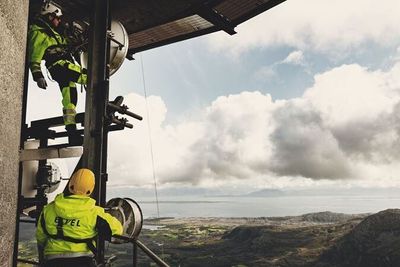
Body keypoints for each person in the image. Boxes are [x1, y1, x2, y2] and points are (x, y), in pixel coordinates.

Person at [36, 168, 123, 267]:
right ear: (90, 189)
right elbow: (118, 229)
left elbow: (40, 236)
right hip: (83, 261)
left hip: (52, 260)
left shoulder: (48, 209)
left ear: (70, 185)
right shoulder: (95, 212)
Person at [27, 1, 87, 145]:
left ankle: (72, 134)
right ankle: (103, 104)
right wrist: (38, 75)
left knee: (70, 101)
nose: (59, 21)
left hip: (62, 68)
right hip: (59, 66)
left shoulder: (53, 34)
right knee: (89, 76)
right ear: (49, 17)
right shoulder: (38, 32)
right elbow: (34, 55)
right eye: (57, 18)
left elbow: (67, 44)